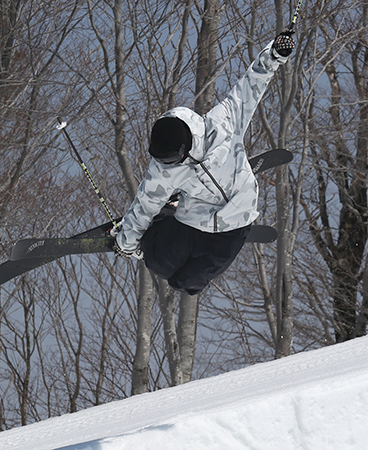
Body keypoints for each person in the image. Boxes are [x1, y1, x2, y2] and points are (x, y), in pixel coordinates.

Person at [113, 31, 295, 295]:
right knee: (159, 264)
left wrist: (275, 54)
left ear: (185, 149)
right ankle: (159, 230)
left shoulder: (222, 125)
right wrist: (127, 242)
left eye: (172, 160)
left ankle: (168, 215)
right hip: (195, 221)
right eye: (163, 161)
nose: (168, 166)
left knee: (187, 283)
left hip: (233, 224)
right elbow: (145, 203)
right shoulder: (163, 169)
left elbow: (251, 84)